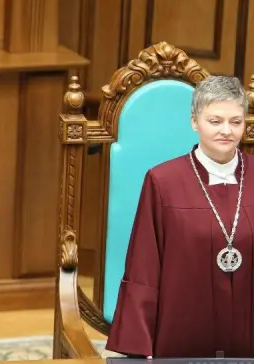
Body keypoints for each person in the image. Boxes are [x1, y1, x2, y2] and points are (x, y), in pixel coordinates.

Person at [106, 75, 254, 357]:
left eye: (235, 122)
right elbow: (144, 264)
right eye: (215, 121)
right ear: (195, 122)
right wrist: (140, 343)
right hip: (181, 332)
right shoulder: (163, 181)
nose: (226, 131)